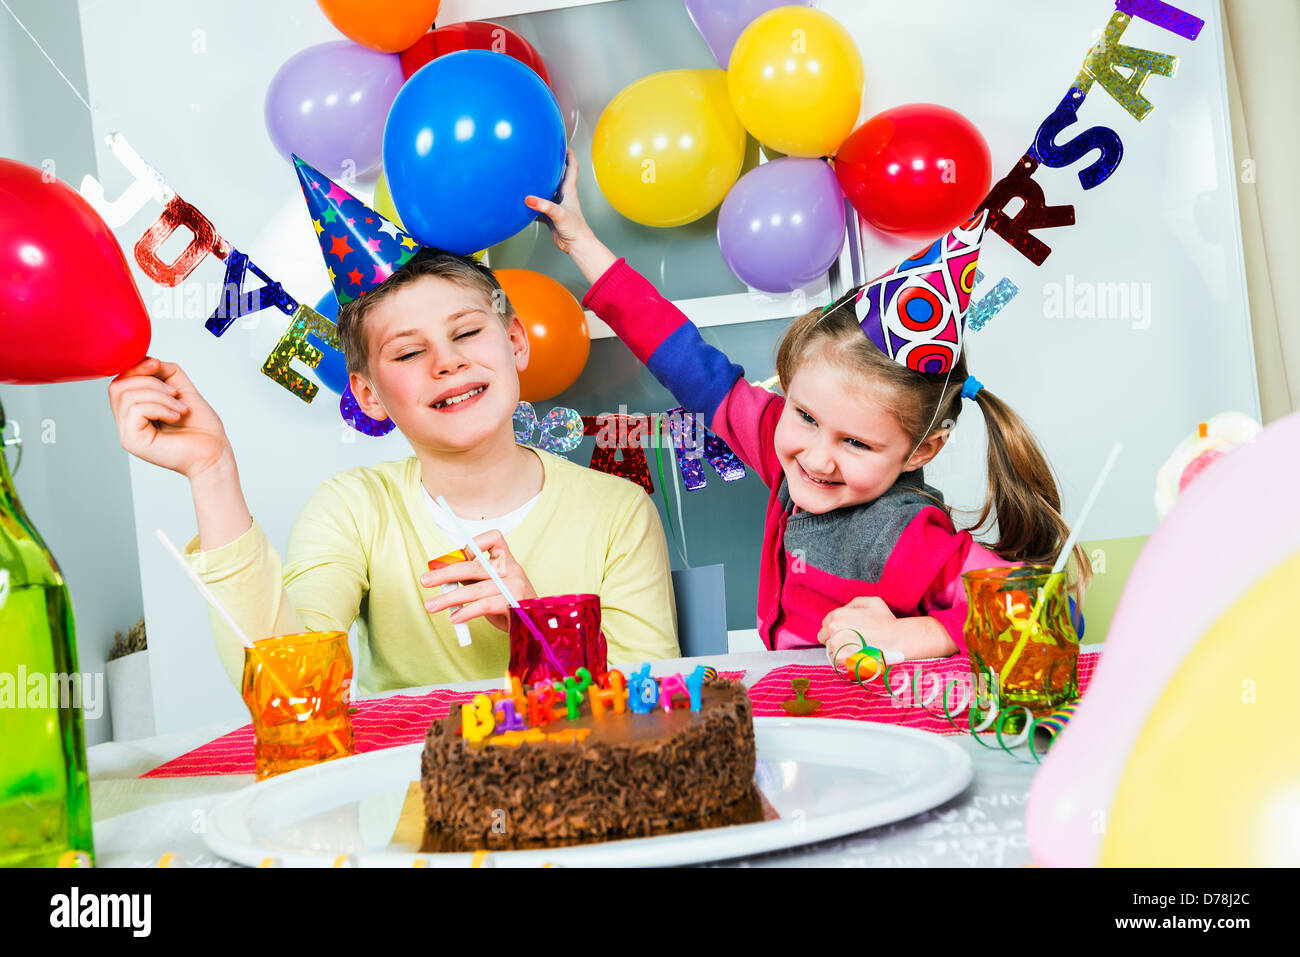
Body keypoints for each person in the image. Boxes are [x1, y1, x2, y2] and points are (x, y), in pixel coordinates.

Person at [108, 159, 677, 693]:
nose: (446, 362)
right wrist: (212, 471)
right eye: (408, 353)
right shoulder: (354, 510)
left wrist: (537, 624)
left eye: (467, 333)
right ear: (368, 394)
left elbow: (658, 712)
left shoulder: (618, 513)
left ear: (515, 341)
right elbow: (291, 685)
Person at [526, 151, 1089, 660]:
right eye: (806, 417)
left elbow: (1055, 620)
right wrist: (580, 242)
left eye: (858, 443)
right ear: (789, 391)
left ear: (923, 450)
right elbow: (683, 359)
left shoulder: (906, 536)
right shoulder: (781, 446)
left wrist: (922, 636)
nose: (818, 459)